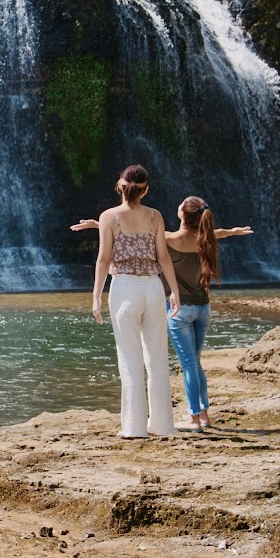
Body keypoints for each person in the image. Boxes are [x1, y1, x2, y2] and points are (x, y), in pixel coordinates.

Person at [73, 198, 253, 430]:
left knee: (188, 364)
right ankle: (205, 415)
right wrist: (233, 232)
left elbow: (137, 234)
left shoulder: (170, 238)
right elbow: (218, 233)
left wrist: (99, 225)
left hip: (180, 311)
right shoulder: (206, 237)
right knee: (195, 363)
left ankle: (194, 418)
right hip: (203, 308)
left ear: (182, 215)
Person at [89, 164, 182, 439]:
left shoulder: (109, 217)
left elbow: (104, 259)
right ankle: (163, 426)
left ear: (120, 187)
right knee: (157, 360)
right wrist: (174, 291)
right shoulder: (155, 216)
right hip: (154, 288)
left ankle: (134, 428)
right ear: (146, 190)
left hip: (124, 289)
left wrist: (96, 295)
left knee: (130, 361)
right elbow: (164, 258)